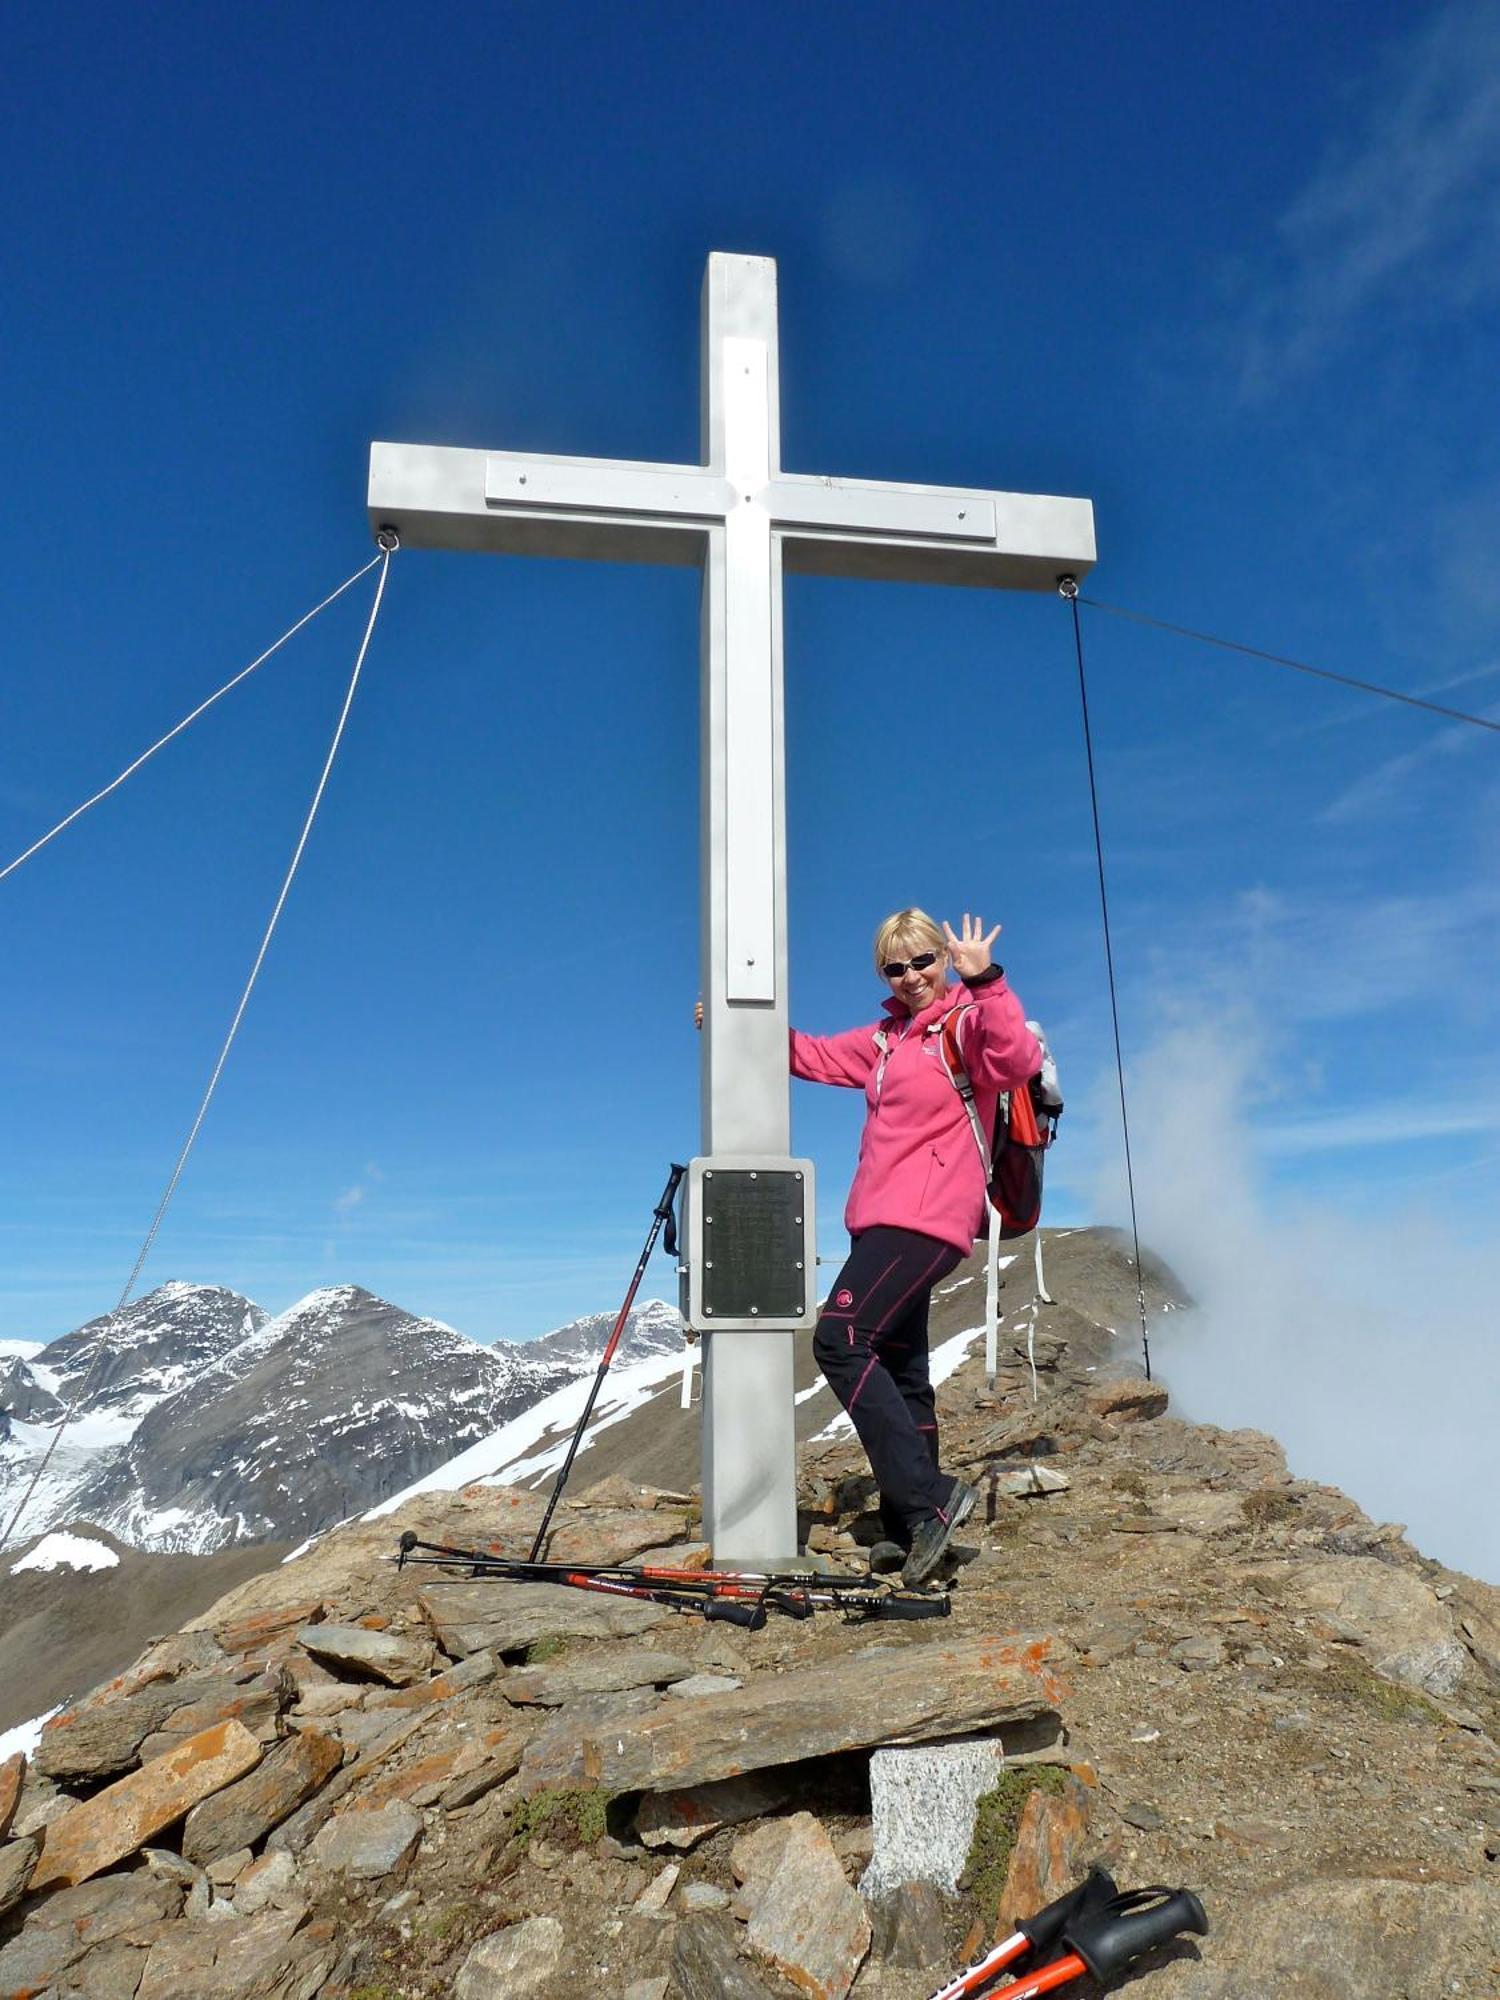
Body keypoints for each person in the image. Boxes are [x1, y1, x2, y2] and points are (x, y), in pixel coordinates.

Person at [790, 909, 1042, 1585]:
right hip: (878, 1218)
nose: (911, 977)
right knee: (902, 1369)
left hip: (927, 1219)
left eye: (923, 961)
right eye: (894, 968)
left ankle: (928, 1497)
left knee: (839, 1338)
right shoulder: (883, 1038)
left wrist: (982, 977)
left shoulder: (965, 1024)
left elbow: (1016, 1057)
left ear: (942, 957)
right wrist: (734, 1026)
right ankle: (913, 1530)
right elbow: (808, 1054)